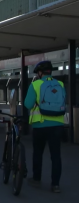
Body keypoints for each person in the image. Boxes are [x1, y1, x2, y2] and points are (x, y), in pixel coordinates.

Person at [24, 60, 66, 193]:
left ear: (40, 73)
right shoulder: (60, 84)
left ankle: (36, 179)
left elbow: (28, 104)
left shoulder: (35, 84)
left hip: (40, 125)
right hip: (57, 125)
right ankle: (55, 185)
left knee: (38, 153)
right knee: (56, 155)